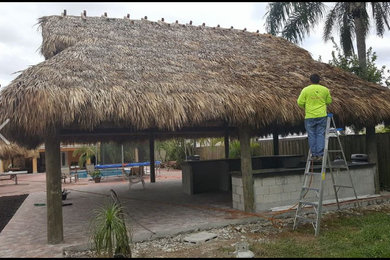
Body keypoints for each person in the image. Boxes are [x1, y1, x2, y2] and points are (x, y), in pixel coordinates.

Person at [297, 74, 332, 161]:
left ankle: (314, 154)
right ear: (319, 80)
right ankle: (320, 154)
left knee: (312, 135)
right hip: (321, 115)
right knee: (320, 134)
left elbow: (299, 102)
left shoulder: (306, 90)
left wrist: (307, 106)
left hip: (310, 116)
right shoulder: (325, 90)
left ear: (310, 80)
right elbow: (329, 101)